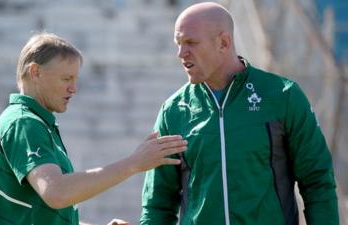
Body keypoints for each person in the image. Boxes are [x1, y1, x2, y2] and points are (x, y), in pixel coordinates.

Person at [140, 2, 339, 225]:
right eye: (178, 43)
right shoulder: (173, 111)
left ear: (224, 43)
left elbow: (317, 181)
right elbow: (157, 204)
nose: (181, 53)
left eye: (191, 43)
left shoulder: (283, 96)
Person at [0, 32, 188, 225]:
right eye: (66, 79)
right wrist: (133, 163)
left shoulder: (38, 123)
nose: (74, 88)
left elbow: (45, 212)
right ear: (35, 72)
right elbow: (56, 193)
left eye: (75, 79)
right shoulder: (23, 122)